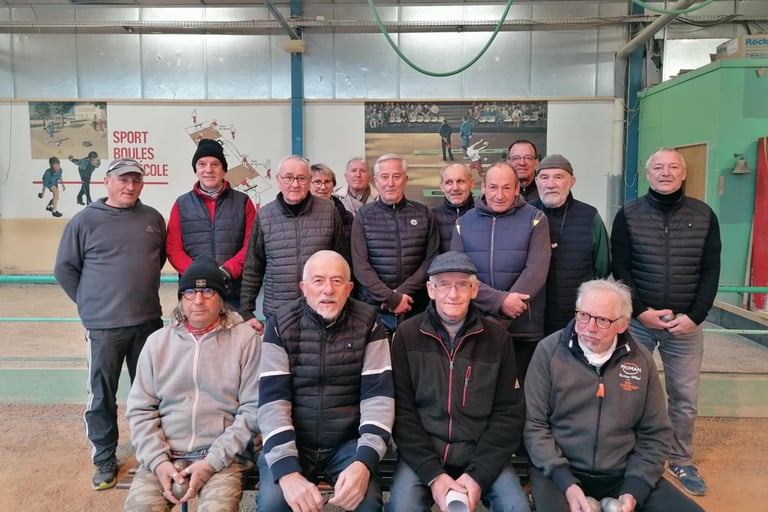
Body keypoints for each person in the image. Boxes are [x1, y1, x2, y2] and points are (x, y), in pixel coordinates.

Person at [524, 279, 705, 512]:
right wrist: (566, 483)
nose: (590, 327)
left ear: (623, 324)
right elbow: (534, 425)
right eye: (583, 316)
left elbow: (656, 432)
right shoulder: (548, 351)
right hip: (559, 473)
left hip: (623, 474)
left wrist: (634, 489)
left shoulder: (641, 361)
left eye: (602, 320)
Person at [611, 147, 721, 497]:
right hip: (641, 321)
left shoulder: (704, 215)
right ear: (648, 173)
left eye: (673, 167)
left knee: (685, 396)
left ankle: (680, 458)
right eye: (658, 167)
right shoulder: (628, 214)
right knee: (629, 391)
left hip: (685, 324)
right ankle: (629, 456)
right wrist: (639, 310)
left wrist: (696, 316)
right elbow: (621, 267)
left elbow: (710, 269)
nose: (665, 172)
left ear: (684, 173)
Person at [54, 158, 166, 491]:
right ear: (107, 181)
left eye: (135, 181)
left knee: (152, 394)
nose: (129, 186)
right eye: (122, 180)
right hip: (103, 327)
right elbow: (65, 269)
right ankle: (104, 457)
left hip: (147, 321)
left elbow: (155, 260)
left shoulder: (152, 219)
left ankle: (152, 452)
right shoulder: (84, 221)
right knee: (102, 395)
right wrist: (90, 305)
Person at [389, 252, 529, 512]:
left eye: (462, 284)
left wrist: (478, 475)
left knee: (516, 507)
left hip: (480, 454)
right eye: (443, 284)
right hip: (424, 455)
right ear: (431, 290)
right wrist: (433, 475)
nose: (452, 294)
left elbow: (508, 414)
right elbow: (402, 414)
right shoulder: (407, 336)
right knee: (401, 507)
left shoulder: (498, 339)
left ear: (474, 289)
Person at [256, 250, 394, 512]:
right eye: (318, 281)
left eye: (337, 281)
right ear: (303, 287)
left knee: (367, 502)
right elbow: (273, 403)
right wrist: (288, 473)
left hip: (347, 445)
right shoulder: (280, 325)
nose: (328, 290)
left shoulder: (369, 323)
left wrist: (363, 463)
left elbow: (379, 400)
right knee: (274, 503)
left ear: (349, 288)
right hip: (294, 441)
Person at [124, 255, 261, 512]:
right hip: (165, 456)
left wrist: (213, 461)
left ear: (221, 299)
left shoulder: (245, 340)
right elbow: (140, 409)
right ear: (180, 298)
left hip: (223, 459)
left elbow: (252, 409)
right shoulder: (158, 343)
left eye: (208, 291)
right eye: (189, 292)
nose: (198, 300)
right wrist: (157, 461)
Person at [451, 161, 550, 383]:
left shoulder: (536, 219)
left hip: (523, 327)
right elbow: (460, 274)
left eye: (507, 187)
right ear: (483, 188)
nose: (499, 194)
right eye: (493, 187)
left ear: (517, 189)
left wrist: (504, 314)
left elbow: (536, 270)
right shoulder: (463, 223)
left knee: (521, 396)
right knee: (476, 392)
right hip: (475, 325)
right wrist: (499, 301)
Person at [240, 155, 348, 334]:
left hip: (322, 311)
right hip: (279, 314)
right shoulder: (265, 216)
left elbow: (343, 262)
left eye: (301, 178)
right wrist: (246, 311)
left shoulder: (329, 211)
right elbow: (253, 266)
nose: (295, 184)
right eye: (289, 178)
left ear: (309, 181)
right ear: (278, 180)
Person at [351, 153, 440, 336]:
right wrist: (389, 297)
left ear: (405, 179)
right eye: (384, 177)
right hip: (373, 308)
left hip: (414, 306)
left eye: (396, 176)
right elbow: (360, 266)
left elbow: (431, 260)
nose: (390, 183)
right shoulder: (364, 216)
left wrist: (399, 295)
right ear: (375, 181)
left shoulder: (423, 213)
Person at [166, 138, 257, 309]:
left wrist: (227, 270)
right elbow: (173, 248)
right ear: (196, 169)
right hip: (193, 294)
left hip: (233, 292)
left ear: (223, 170)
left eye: (215, 164)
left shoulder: (243, 202)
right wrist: (197, 274)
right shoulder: (181, 204)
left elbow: (251, 245)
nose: (208, 169)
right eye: (202, 164)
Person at [530, 154, 610, 335]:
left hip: (576, 316)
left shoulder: (590, 216)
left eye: (558, 177)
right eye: (544, 177)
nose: (550, 184)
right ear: (537, 182)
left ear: (571, 181)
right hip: (533, 316)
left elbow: (602, 268)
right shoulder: (524, 214)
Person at [432, 163, 475, 253]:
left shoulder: (484, 215)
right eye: (449, 182)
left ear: (471, 183)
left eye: (460, 181)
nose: (455, 188)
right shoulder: (431, 218)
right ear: (442, 187)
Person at [309, 163, 355, 241]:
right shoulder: (302, 215)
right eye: (317, 182)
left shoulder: (347, 216)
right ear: (308, 186)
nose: (323, 187)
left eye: (327, 182)